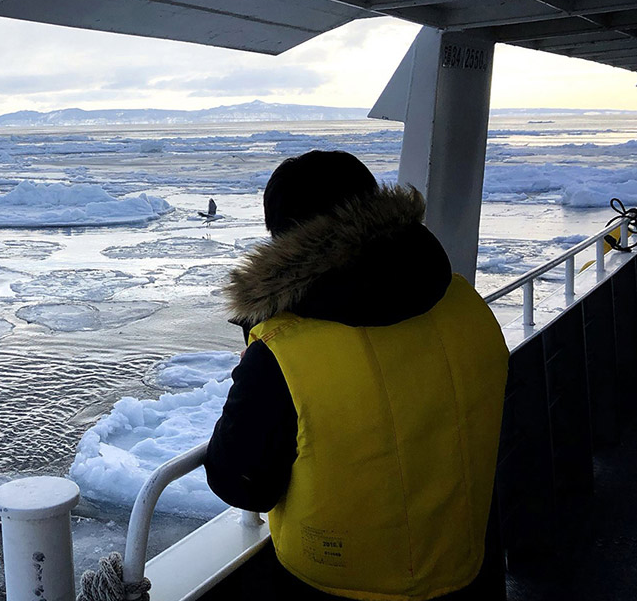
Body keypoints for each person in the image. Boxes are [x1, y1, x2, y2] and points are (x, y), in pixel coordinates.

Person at [205, 150, 509, 601]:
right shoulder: (466, 305)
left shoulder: (284, 352)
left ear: (284, 242)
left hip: (336, 586)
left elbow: (241, 482)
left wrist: (263, 331)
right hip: (466, 567)